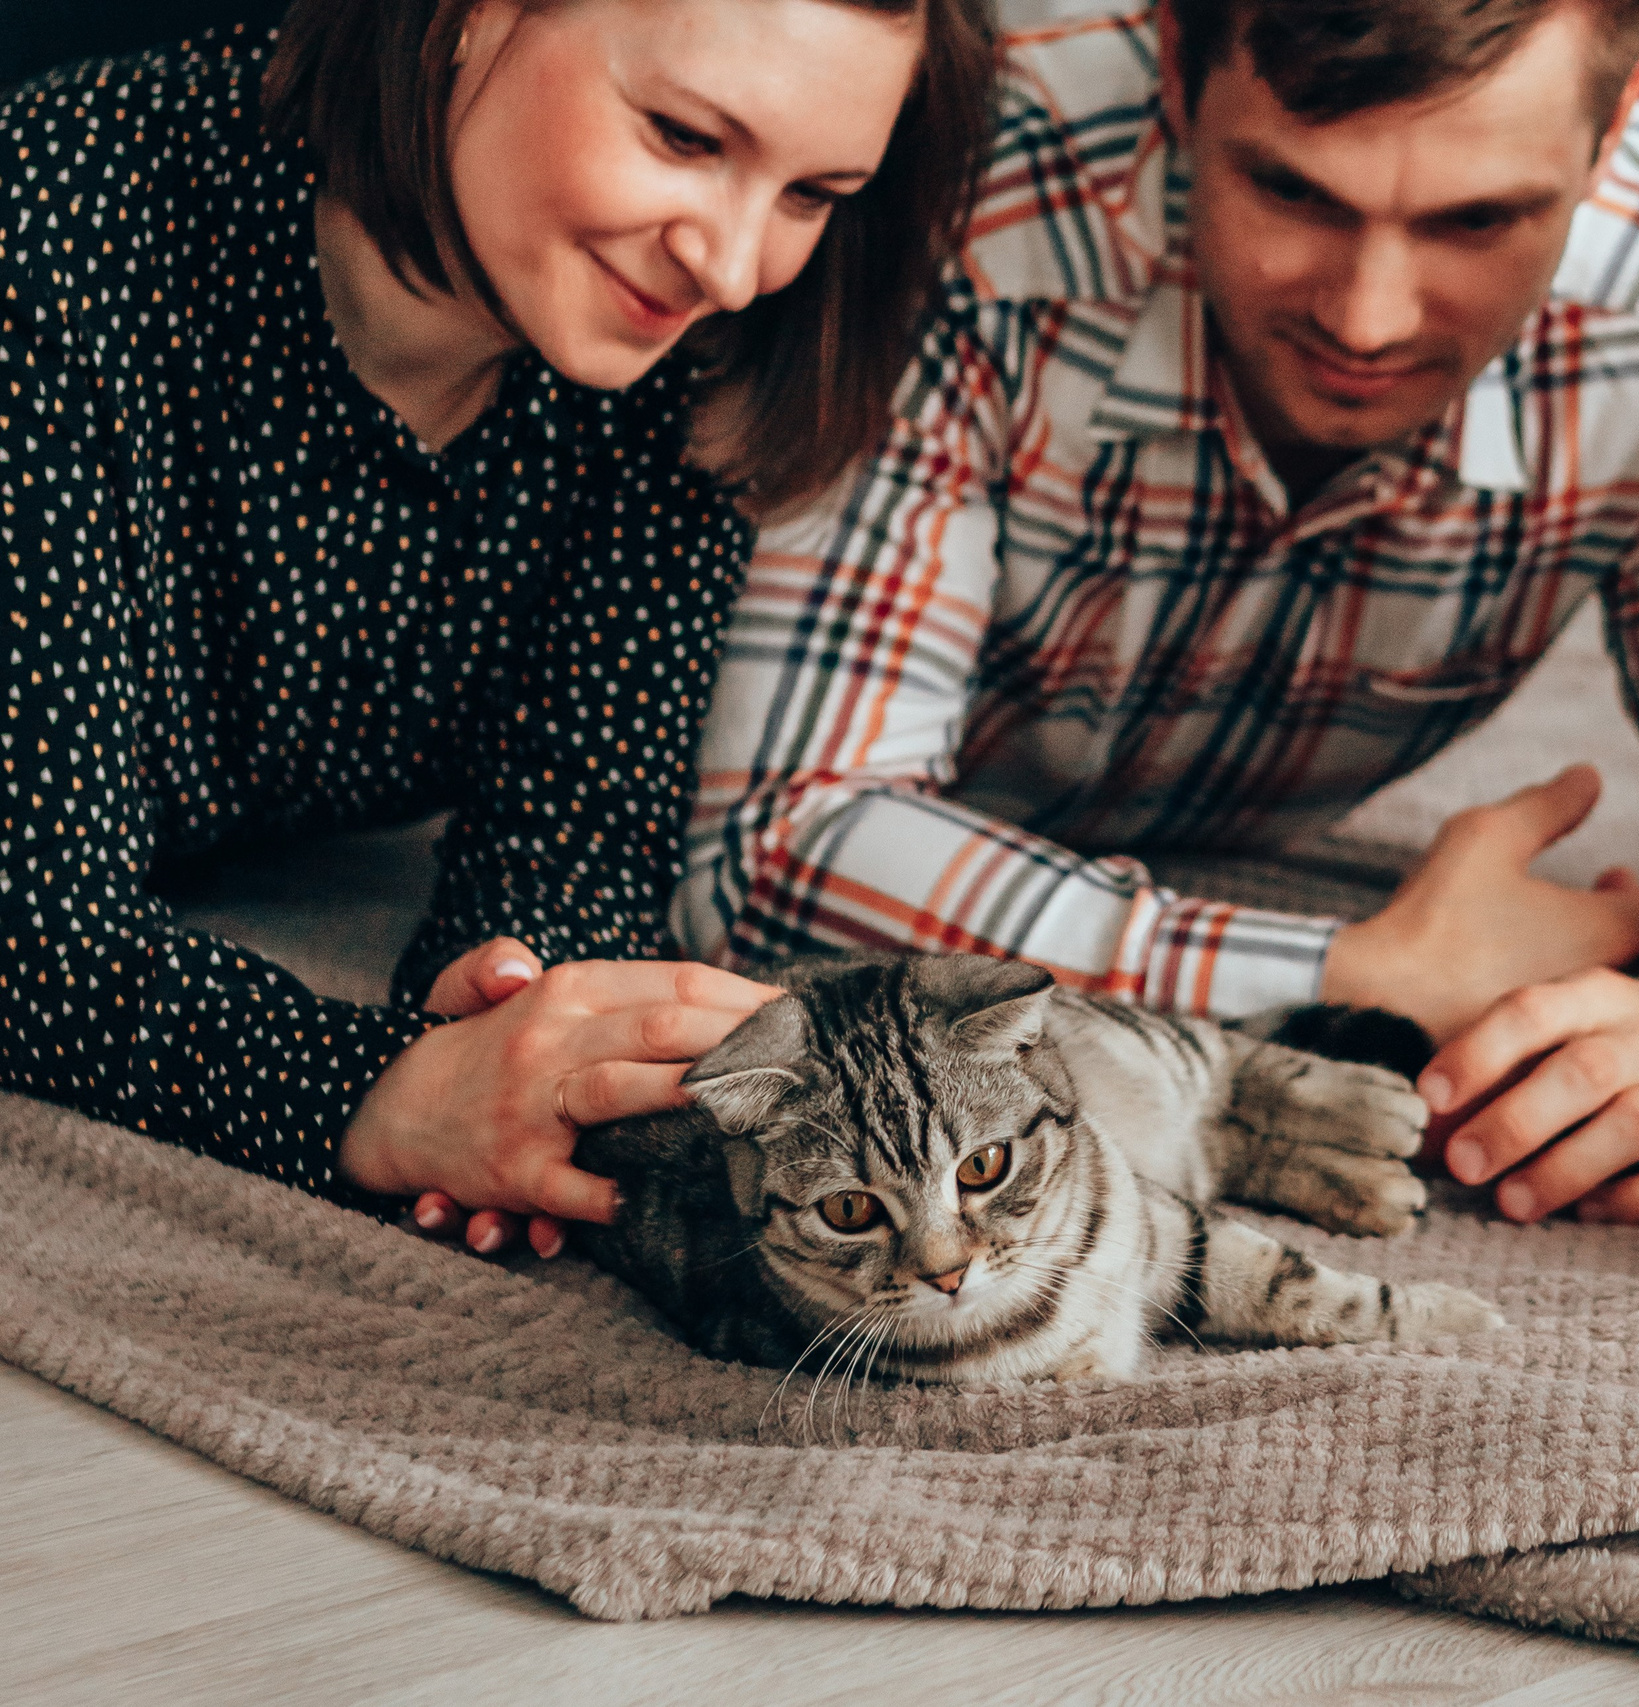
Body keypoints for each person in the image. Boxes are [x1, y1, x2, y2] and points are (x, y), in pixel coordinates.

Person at [675, 0, 1639, 1227]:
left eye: (1478, 220)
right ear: (1177, 72)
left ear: (1617, 114)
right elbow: (776, 843)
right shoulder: (959, 181)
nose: (1369, 318)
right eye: (1294, 194)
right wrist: (1355, 975)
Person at [0, 0, 993, 1258]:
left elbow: (577, 824)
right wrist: (377, 1091)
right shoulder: (55, 227)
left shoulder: (686, 350)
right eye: (684, 136)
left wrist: (521, 1023)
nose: (734, 265)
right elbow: (29, 921)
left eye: (810, 194)